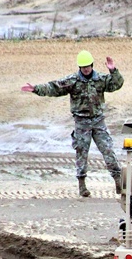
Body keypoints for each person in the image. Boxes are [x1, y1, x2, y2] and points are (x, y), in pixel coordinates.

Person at [22, 51, 124, 197]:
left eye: (88, 66)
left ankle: (118, 181)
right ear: (79, 67)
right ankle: (82, 186)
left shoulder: (100, 79)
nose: (86, 69)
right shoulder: (73, 80)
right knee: (81, 153)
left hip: (98, 121)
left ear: (92, 65)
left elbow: (116, 84)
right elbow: (54, 87)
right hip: (81, 122)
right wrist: (36, 89)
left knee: (108, 150)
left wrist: (113, 70)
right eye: (83, 67)